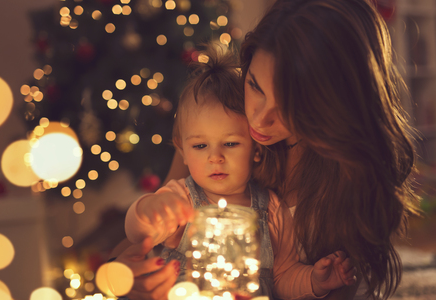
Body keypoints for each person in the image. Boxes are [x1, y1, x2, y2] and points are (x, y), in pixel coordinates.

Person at [111, 0, 421, 299]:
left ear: (333, 108)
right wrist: (126, 277)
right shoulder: (214, 127)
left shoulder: (350, 178)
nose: (258, 118)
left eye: (290, 106)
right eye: (255, 86)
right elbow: (130, 247)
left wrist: (316, 279)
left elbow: (307, 281)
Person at [124, 44, 357, 300]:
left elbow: (283, 276)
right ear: (183, 152)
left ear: (256, 150)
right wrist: (148, 209)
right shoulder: (181, 199)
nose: (216, 157)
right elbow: (140, 233)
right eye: (200, 146)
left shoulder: (273, 210)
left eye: (231, 143)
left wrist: (315, 281)